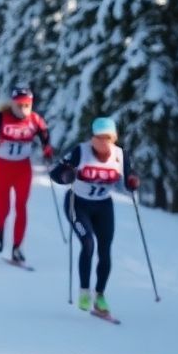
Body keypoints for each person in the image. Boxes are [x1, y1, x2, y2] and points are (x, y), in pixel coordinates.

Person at [50, 116, 140, 318]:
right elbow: (55, 173)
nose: (102, 142)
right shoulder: (80, 152)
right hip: (77, 204)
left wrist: (133, 181)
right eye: (98, 137)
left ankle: (99, 296)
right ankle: (84, 291)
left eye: (107, 138)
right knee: (88, 243)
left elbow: (128, 180)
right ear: (92, 138)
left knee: (105, 250)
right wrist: (66, 176)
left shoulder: (120, 155)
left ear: (114, 138)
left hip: (103, 207)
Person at [0, 83, 53, 265]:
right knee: (3, 209)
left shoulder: (35, 120)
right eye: (19, 105)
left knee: (21, 207)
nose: (23, 108)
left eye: (27, 105)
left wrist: (47, 150)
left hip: (23, 169)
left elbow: (45, 138)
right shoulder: (0, 117)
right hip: (2, 168)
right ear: (12, 104)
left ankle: (17, 247)